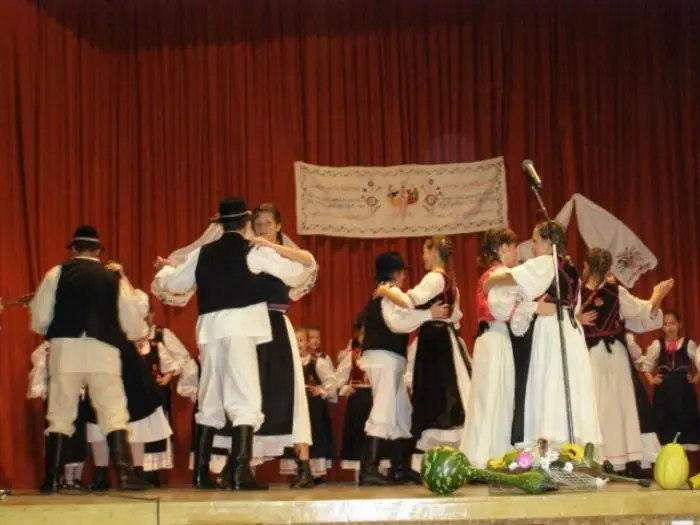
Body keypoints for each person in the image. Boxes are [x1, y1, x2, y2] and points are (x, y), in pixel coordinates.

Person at [153, 196, 316, 491]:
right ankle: (241, 472)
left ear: (221, 224)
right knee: (245, 398)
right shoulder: (253, 250)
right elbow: (298, 272)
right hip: (242, 328)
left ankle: (201, 474)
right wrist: (280, 251)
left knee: (210, 397)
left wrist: (165, 270)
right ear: (245, 224)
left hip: (210, 330)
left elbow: (173, 284)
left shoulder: (202, 252)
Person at [29, 224, 148, 493]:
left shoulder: (56, 273)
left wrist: (51, 329)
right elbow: (130, 315)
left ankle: (52, 479)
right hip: (102, 348)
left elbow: (40, 314)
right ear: (98, 251)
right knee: (112, 409)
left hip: (65, 348)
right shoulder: (111, 278)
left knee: (60, 411)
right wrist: (135, 333)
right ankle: (125, 475)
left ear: (73, 249)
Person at [217, 202, 319, 489]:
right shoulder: (248, 253)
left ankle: (303, 467)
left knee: (289, 394)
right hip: (249, 327)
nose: (261, 227)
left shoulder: (276, 254)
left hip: (275, 327)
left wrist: (273, 246)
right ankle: (237, 465)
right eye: (257, 223)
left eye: (267, 223)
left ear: (278, 226)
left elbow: (307, 265)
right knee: (247, 394)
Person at [483, 220, 602, 451]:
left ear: (549, 243)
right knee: (567, 383)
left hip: (552, 328)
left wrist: (492, 281)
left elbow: (516, 278)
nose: (533, 247)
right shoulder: (571, 269)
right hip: (571, 329)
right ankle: (569, 441)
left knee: (550, 380)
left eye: (536, 241)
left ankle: (552, 440)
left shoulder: (547, 262)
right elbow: (575, 307)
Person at [377, 236, 470, 469]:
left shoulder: (435, 278)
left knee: (438, 396)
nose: (423, 257)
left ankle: (439, 462)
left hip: (436, 342)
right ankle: (446, 461)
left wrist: (386, 291)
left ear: (434, 251)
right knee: (443, 395)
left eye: (425, 251)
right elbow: (455, 316)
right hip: (443, 338)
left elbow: (410, 300)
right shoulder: (449, 280)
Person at [579, 247, 672, 476]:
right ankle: (624, 459)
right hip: (615, 356)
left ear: (587, 266)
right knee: (622, 407)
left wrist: (576, 318)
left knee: (600, 406)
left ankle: (605, 460)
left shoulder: (576, 293)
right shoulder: (615, 292)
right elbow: (642, 312)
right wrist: (656, 295)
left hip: (591, 357)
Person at [460, 227, 548, 468]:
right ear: (502, 248)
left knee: (488, 397)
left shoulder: (493, 275)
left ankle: (482, 454)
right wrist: (533, 307)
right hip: (497, 338)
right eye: (513, 248)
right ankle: (491, 457)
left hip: (492, 338)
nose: (516, 254)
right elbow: (504, 311)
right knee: (497, 396)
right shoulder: (501, 274)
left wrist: (527, 306)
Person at [361, 251, 450, 485]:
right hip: (384, 356)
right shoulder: (390, 292)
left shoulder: (386, 293)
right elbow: (397, 323)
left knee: (401, 411)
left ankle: (400, 467)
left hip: (388, 357)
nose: (404, 278)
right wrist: (428, 314)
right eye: (402, 273)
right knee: (384, 408)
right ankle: (368, 468)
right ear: (396, 274)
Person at [641, 310, 700, 452]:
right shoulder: (657, 345)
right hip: (664, 391)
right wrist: (652, 379)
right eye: (666, 324)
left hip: (683, 391)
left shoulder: (688, 344)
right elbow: (646, 366)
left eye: (673, 323)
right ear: (662, 327)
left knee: (685, 420)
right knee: (664, 421)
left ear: (679, 325)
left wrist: (695, 379)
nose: (670, 327)